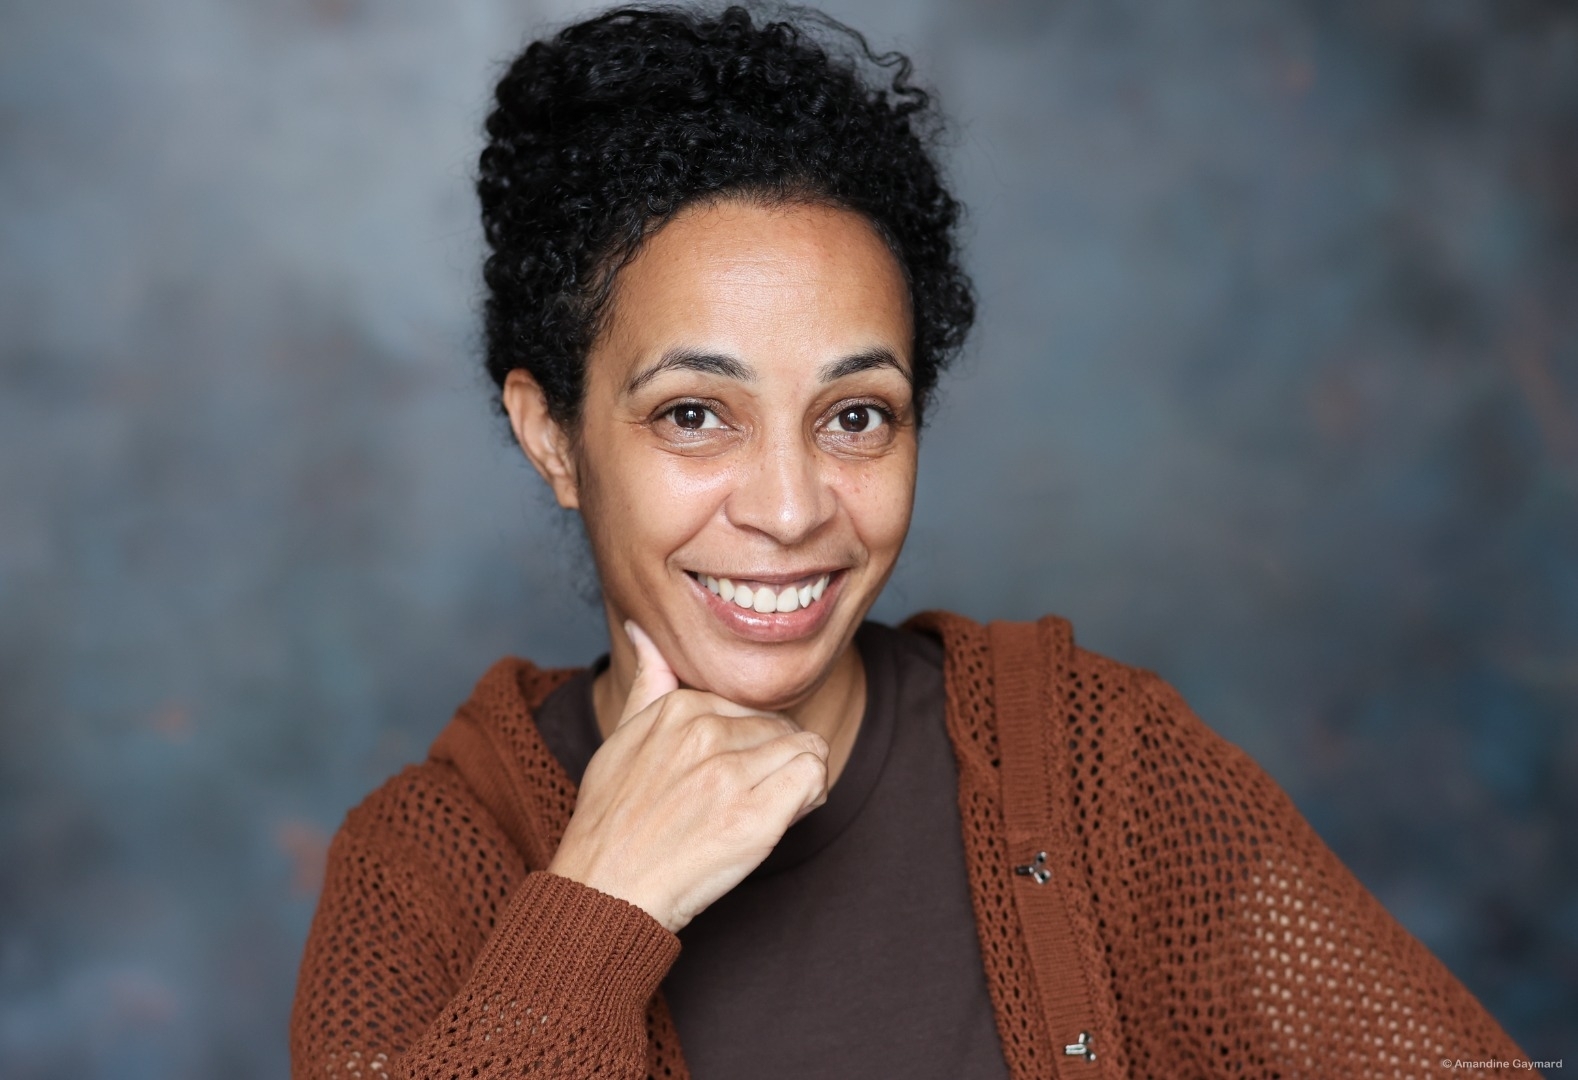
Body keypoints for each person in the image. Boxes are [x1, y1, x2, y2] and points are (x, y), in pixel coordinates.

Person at [289, 5, 1538, 1078]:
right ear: (553, 436)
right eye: (694, 415)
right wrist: (601, 908)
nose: (791, 510)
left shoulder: (1102, 771)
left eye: (855, 416)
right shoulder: (425, 867)